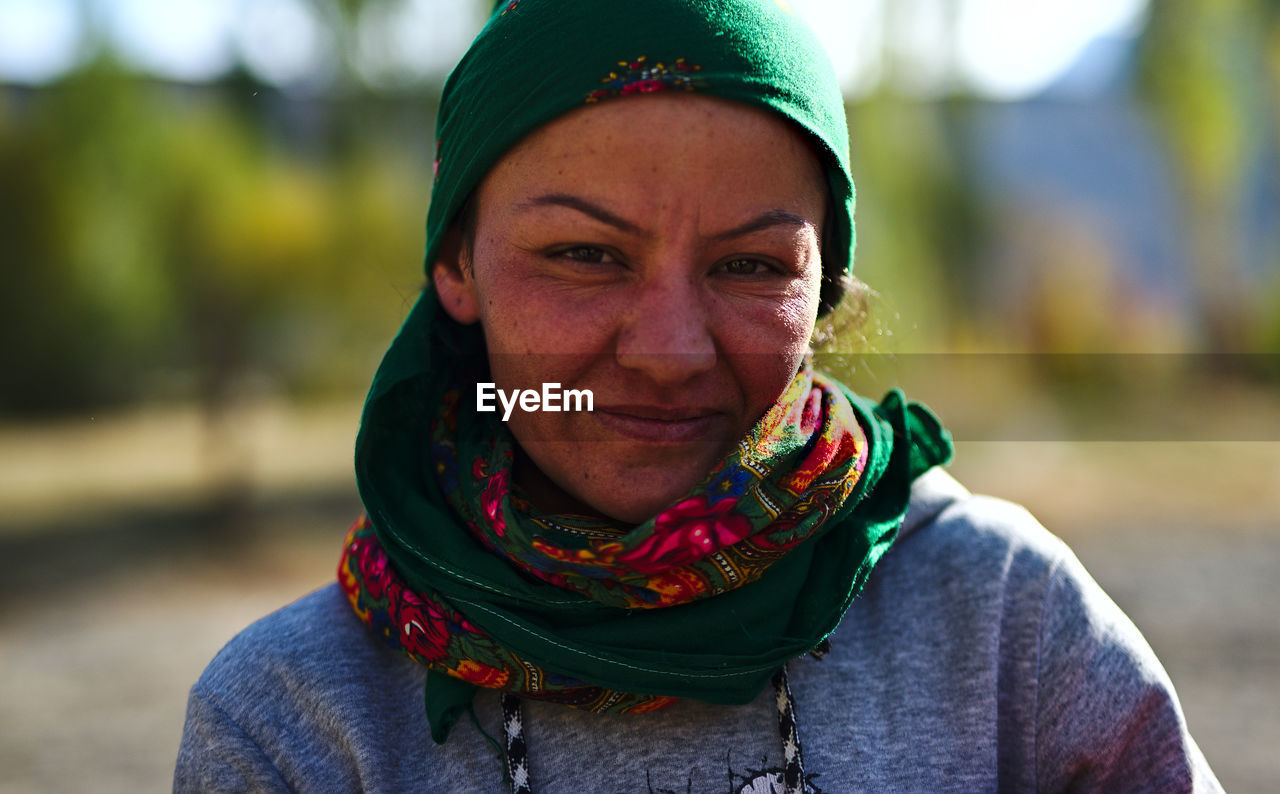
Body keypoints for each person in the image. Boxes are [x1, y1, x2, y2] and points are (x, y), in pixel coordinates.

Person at [175, 1, 1223, 791]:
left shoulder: (999, 619)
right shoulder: (300, 716)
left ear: (824, 292)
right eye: (584, 253)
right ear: (457, 267)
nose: (671, 350)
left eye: (750, 266)